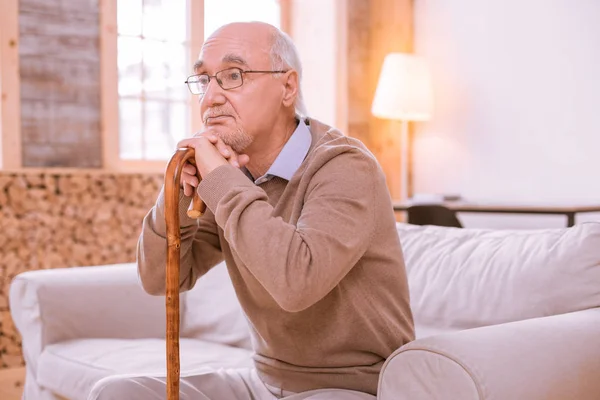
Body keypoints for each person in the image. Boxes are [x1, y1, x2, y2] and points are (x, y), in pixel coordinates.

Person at [89, 21, 414, 400]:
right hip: (261, 380)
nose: (210, 97)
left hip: (352, 388)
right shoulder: (234, 175)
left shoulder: (345, 165)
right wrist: (177, 193)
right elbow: (160, 280)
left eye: (233, 75)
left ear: (288, 87)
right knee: (115, 393)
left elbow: (295, 283)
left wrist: (222, 179)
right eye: (204, 80)